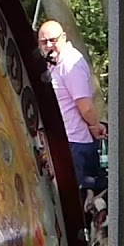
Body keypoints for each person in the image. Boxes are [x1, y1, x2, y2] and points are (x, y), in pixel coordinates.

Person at [38, 19, 106, 193]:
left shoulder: (70, 63)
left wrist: (94, 125)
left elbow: (85, 106)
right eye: (44, 42)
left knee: (78, 196)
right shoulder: (53, 63)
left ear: (63, 37)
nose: (48, 45)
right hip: (62, 140)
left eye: (53, 40)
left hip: (76, 142)